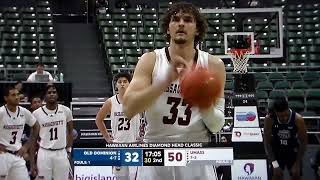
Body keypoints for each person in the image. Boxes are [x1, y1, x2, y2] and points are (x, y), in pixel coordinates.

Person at [123, 2, 226, 180]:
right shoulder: (150, 60)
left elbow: (217, 126)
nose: (181, 23)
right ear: (168, 29)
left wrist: (203, 103)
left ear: (198, 29)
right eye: (175, 19)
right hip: (155, 151)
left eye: (187, 20)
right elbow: (128, 109)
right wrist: (163, 82)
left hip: (196, 152)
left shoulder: (213, 65)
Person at [96, 72, 144, 180]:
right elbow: (99, 120)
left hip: (134, 145)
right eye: (119, 82)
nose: (122, 84)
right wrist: (107, 137)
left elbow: (148, 116)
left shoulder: (137, 99)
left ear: (129, 84)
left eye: (125, 81)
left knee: (134, 177)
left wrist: (143, 135)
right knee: (120, 177)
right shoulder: (110, 102)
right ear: (116, 85)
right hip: (117, 145)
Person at [32, 85, 73, 180]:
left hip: (61, 152)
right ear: (45, 96)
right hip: (44, 152)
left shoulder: (66, 110)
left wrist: (69, 150)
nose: (52, 94)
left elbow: (70, 132)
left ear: (57, 95)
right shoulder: (36, 114)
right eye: (49, 93)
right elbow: (33, 139)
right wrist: (32, 163)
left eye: (54, 92)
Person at [0, 86, 40, 180]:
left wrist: (26, 146)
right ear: (6, 98)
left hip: (18, 155)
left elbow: (36, 126)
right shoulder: (1, 112)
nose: (17, 97)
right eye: (13, 95)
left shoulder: (24, 112)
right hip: (2, 155)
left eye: (18, 94)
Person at [264, 97, 308, 180]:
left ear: (288, 109)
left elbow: (303, 142)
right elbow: (267, 143)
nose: (284, 118)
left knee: (296, 175)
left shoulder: (298, 119)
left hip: (292, 150)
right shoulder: (269, 119)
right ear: (275, 112)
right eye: (280, 116)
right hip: (277, 151)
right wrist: (275, 164)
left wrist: (297, 163)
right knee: (276, 175)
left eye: (286, 115)